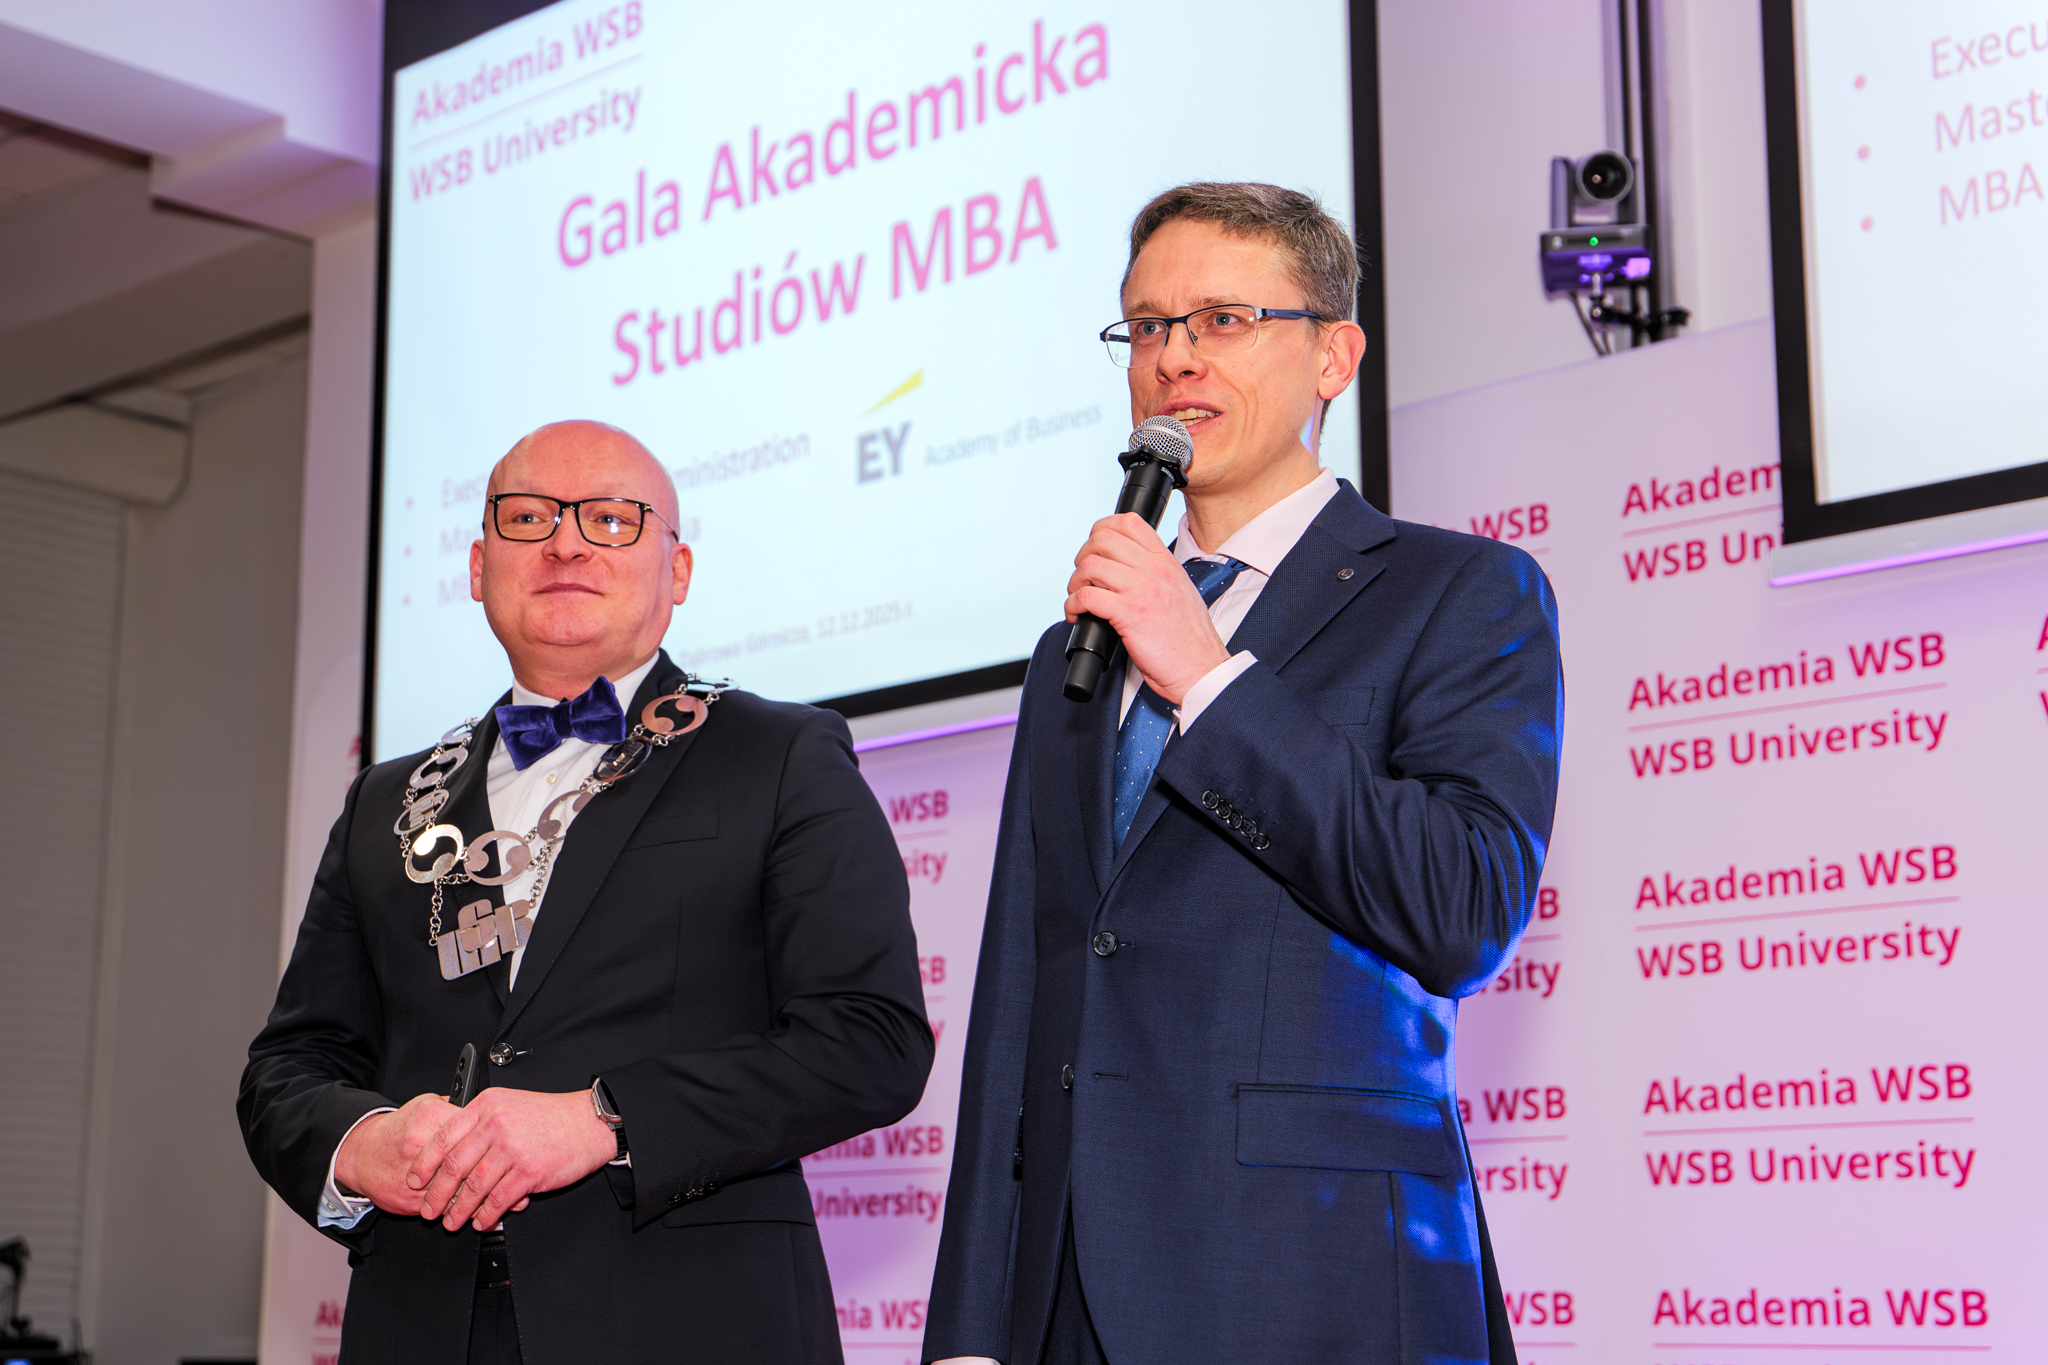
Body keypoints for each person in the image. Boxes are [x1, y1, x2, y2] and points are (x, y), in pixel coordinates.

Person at [922, 184, 1562, 1365]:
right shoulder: (1076, 648)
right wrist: (968, 1330)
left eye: (1221, 320)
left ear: (1332, 356)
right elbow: (1024, 983)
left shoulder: (1458, 594)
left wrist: (1209, 680)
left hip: (1309, 1275)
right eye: (1147, 327)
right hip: (1061, 1291)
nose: (1173, 358)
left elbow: (1460, 908)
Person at [240, 420, 933, 1365]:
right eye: (529, 518)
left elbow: (870, 1039)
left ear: (677, 570)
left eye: (610, 519)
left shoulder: (779, 755)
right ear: (478, 566)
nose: (565, 543)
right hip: (419, 1325)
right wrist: (363, 1142)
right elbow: (288, 1068)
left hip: (691, 1326)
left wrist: (604, 1117)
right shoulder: (385, 801)